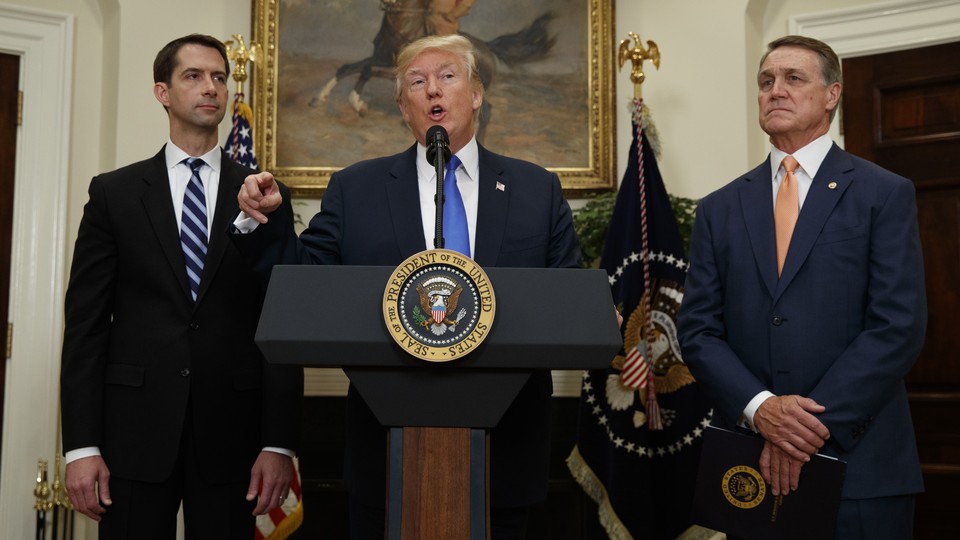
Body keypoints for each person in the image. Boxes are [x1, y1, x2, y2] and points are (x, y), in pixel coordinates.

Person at [233, 33, 581, 539]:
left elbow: (565, 292)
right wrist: (266, 221)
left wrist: (590, 315)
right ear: (402, 107)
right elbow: (306, 281)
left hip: (506, 447)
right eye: (417, 83)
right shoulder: (357, 188)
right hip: (387, 450)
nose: (433, 92)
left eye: (447, 77)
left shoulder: (536, 188)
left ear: (477, 93)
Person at [677, 35, 927, 539]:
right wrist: (762, 409)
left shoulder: (883, 193)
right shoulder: (720, 208)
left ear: (832, 94)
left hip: (862, 466)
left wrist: (800, 430)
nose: (776, 91)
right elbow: (699, 330)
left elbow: (898, 325)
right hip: (752, 464)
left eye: (794, 78)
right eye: (766, 82)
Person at [60, 34, 303, 538]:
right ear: (162, 92)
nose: (210, 87)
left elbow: (282, 326)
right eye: (193, 76)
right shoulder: (115, 194)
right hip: (133, 434)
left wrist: (278, 443)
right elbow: (86, 325)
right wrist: (82, 447)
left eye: (219, 77)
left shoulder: (264, 193)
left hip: (234, 436)